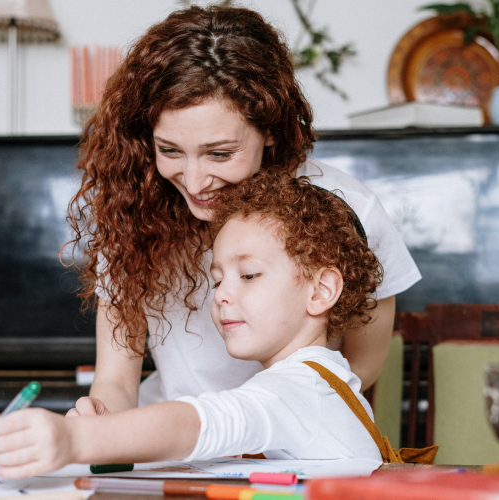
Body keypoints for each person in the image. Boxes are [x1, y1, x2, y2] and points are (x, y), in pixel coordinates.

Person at [66, 5, 420, 420]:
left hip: (290, 435)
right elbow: (117, 380)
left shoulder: (349, 210)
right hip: (170, 442)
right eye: (170, 151)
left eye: (219, 153)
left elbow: (361, 366)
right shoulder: (133, 211)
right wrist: (101, 419)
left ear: (269, 128)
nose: (195, 183)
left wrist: (259, 428)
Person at [0, 175, 387, 477]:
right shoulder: (317, 379)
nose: (221, 294)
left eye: (249, 275)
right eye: (217, 278)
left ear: (321, 290)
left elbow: (199, 422)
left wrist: (76, 440)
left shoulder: (300, 388)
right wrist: (110, 431)